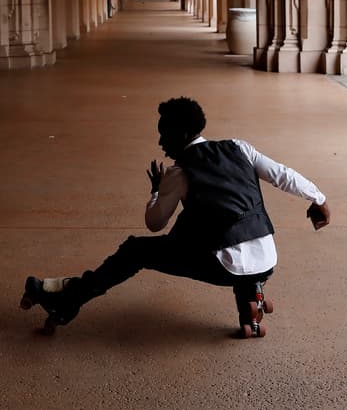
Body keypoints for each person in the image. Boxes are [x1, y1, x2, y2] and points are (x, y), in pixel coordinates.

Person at [20, 96, 330, 338]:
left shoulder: (178, 173)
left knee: (135, 250)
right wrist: (319, 199)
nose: (160, 143)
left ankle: (68, 301)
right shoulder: (239, 148)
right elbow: (282, 175)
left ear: (180, 134)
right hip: (267, 259)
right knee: (211, 232)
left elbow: (155, 223)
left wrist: (157, 191)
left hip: (225, 265)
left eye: (163, 135)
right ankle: (251, 298)